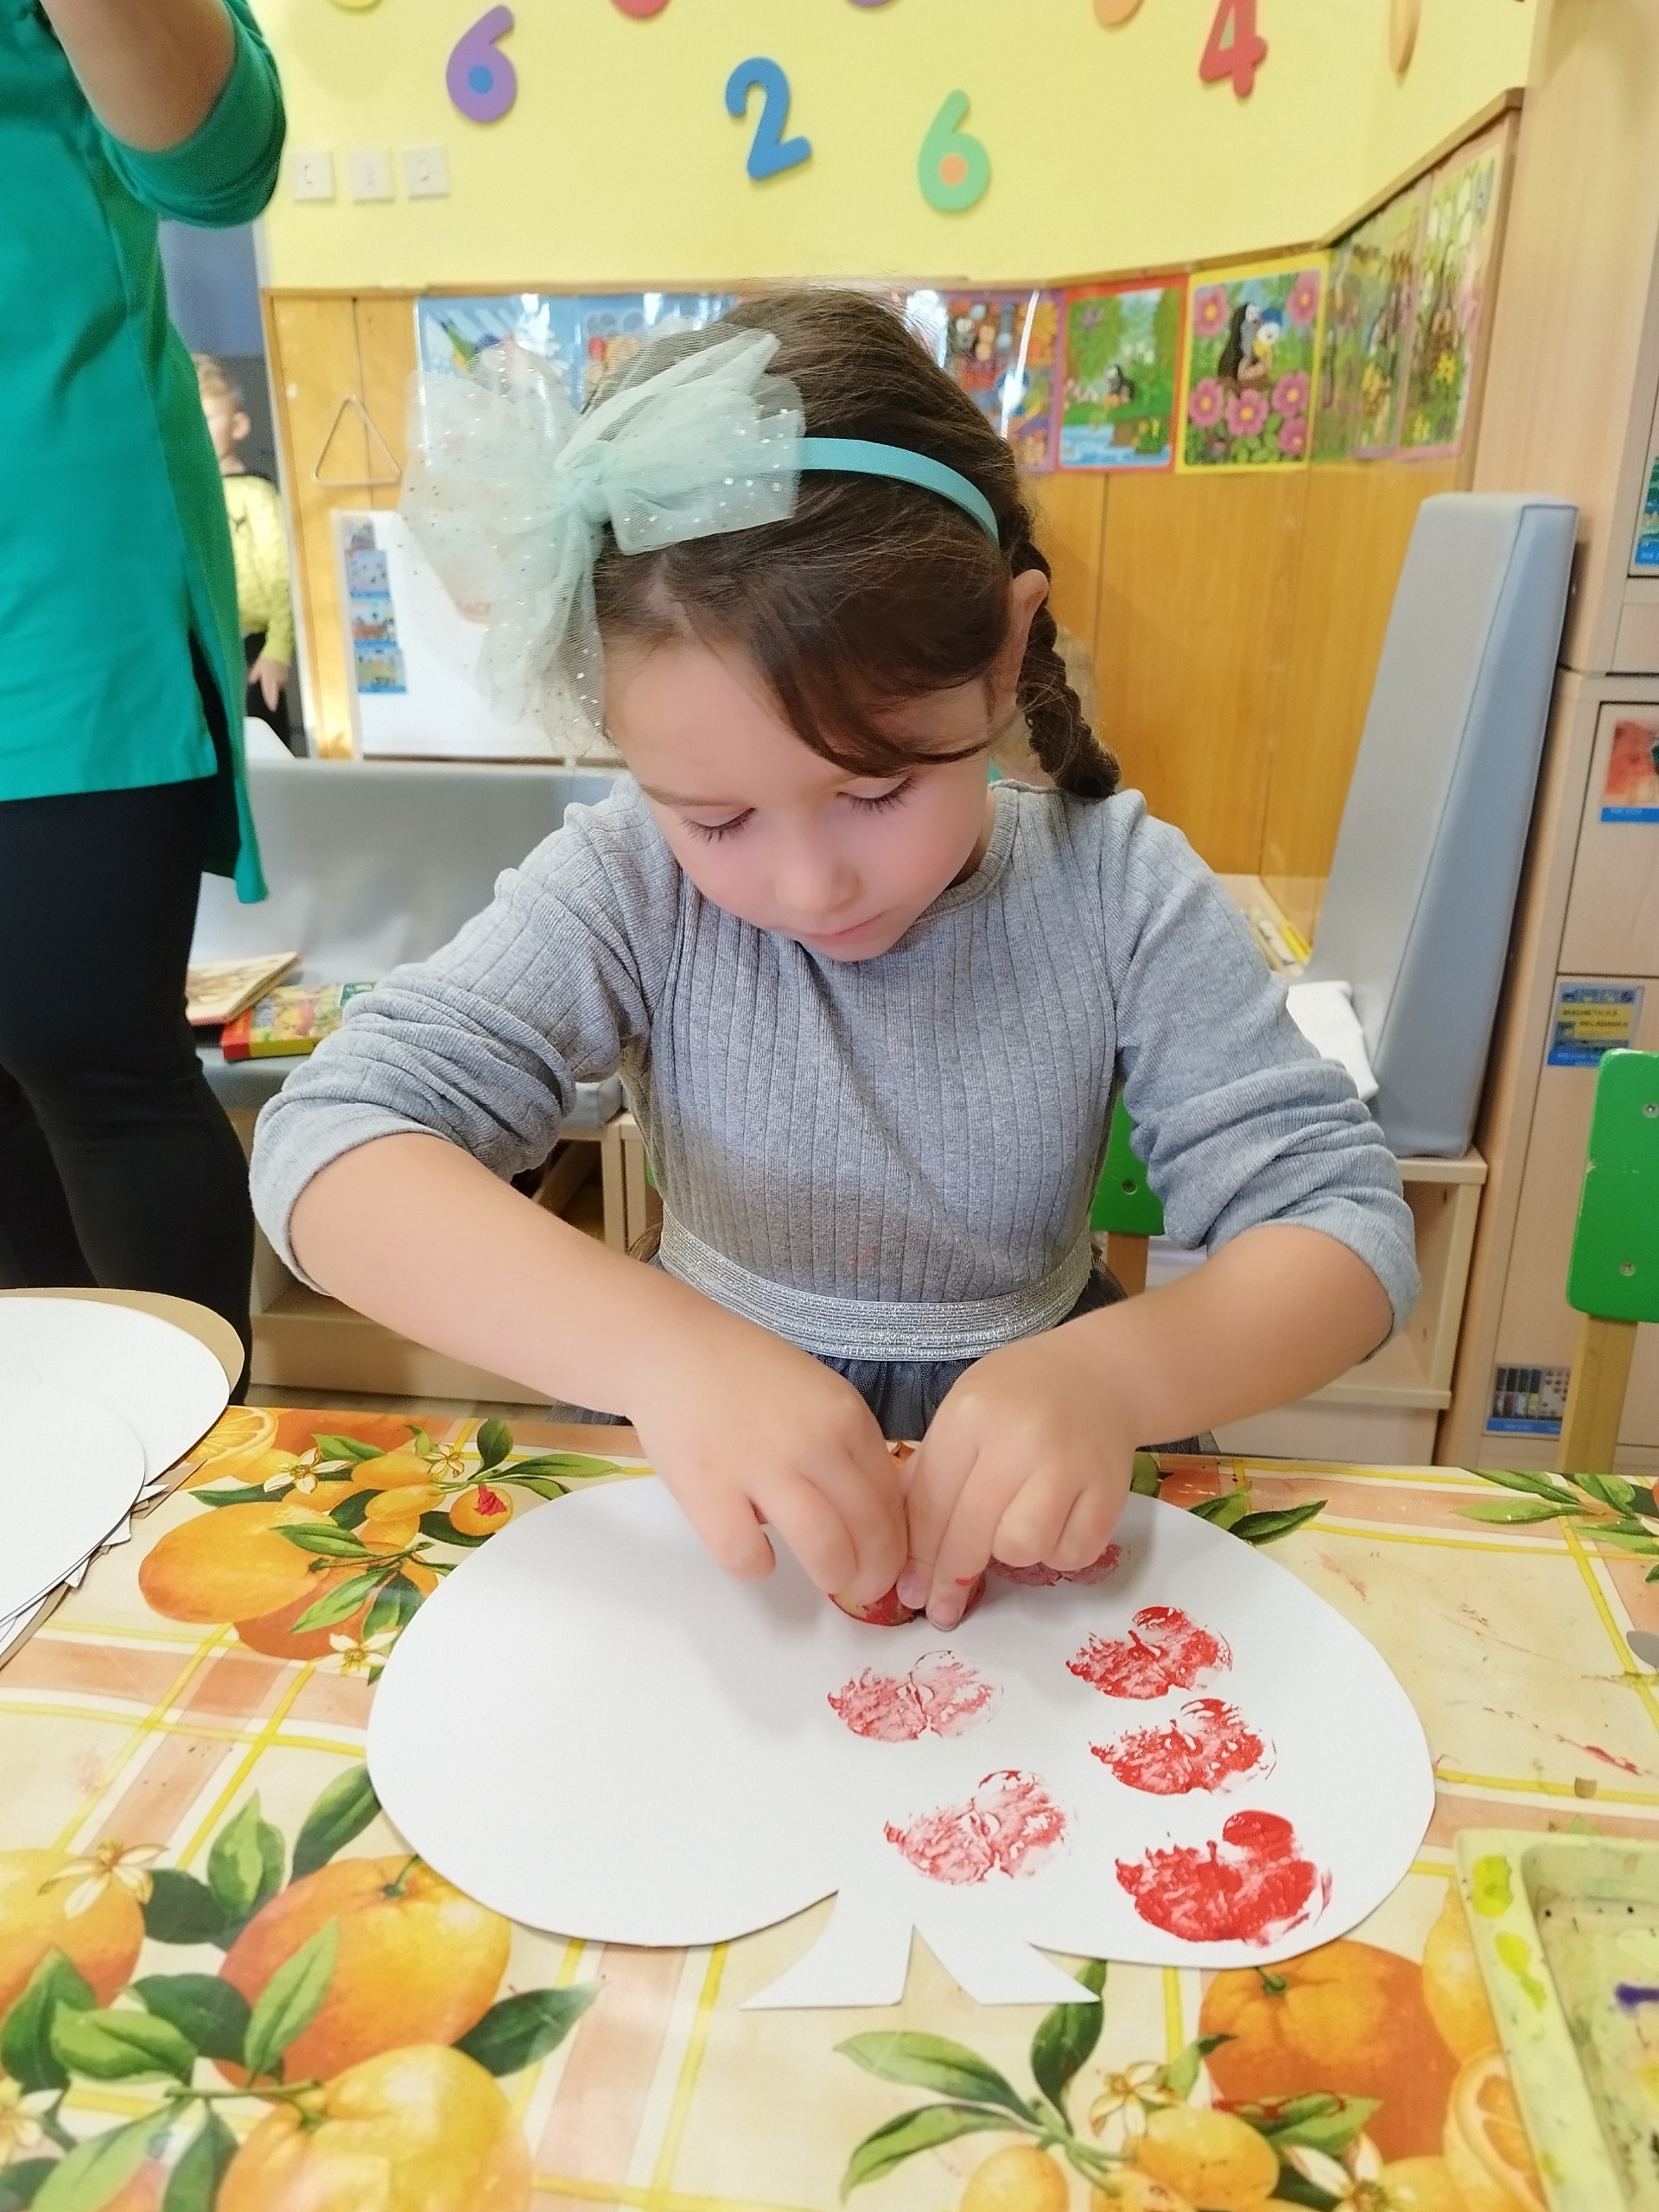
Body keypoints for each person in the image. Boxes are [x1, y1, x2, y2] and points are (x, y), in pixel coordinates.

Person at [251, 290, 1416, 1630]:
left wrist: (1115, 1378)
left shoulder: (1116, 888)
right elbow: (331, 1139)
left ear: (1005, 654)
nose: (809, 887)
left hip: (1028, 1528)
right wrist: (661, 1354)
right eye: (717, 819)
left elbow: (1341, 1222)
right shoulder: (628, 880)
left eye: (876, 790)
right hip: (713, 1531)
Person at [0, 0, 283, 1382]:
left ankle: (186, 1461)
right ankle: (55, 1467)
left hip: (53, 562)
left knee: (87, 1054)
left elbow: (220, 162)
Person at [195, 353, 296, 750]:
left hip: (253, 648)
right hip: (201, 647)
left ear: (237, 425)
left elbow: (283, 576)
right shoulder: (183, 499)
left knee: (263, 751)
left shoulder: (258, 495)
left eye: (207, 418)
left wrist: (277, 650)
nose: (196, 430)